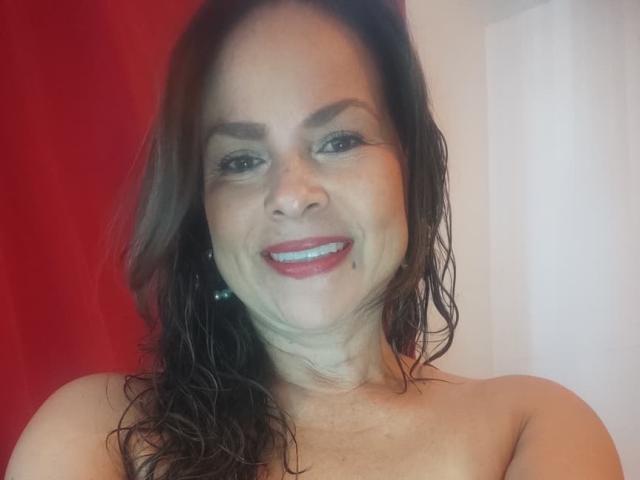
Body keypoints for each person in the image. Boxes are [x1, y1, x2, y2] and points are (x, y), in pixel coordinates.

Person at [6, 0, 624, 479]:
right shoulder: (101, 433)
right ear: (202, 215)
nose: (292, 193)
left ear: (407, 168)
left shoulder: (531, 426)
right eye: (241, 160)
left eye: (339, 140)